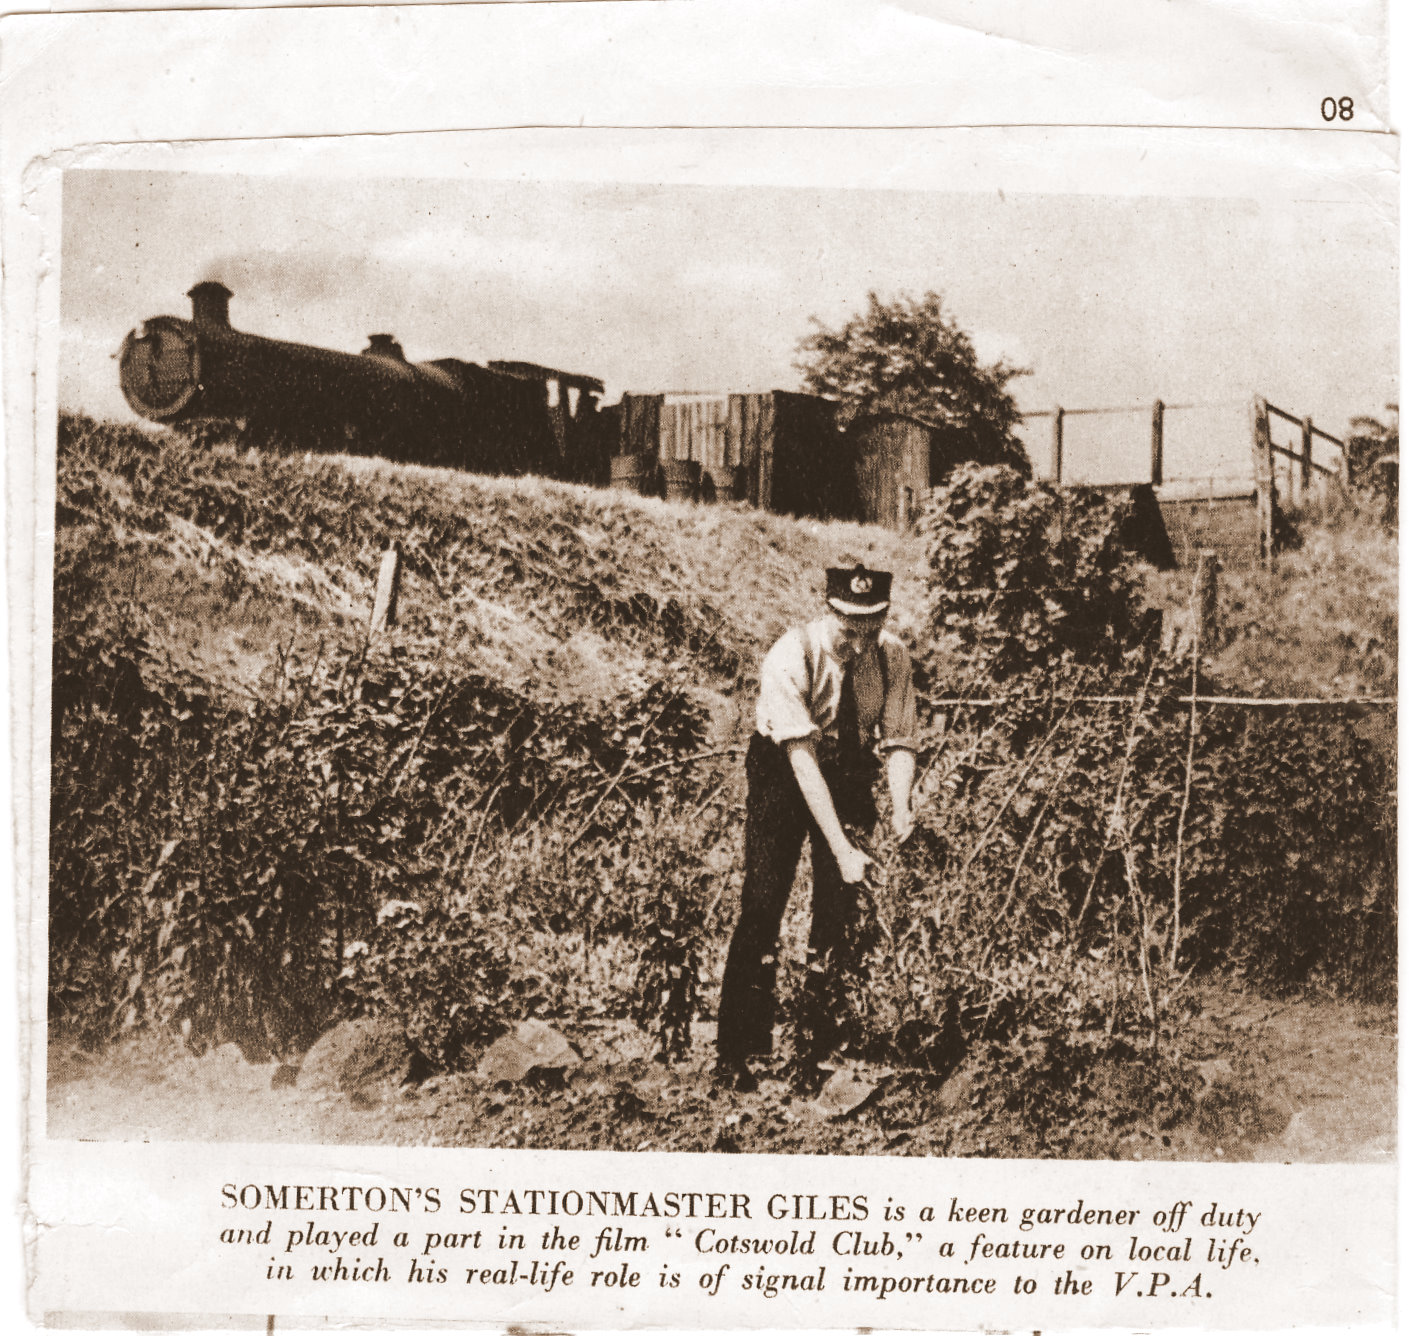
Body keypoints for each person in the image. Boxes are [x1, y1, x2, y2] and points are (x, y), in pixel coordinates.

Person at [715, 563, 917, 1091]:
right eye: (848, 629)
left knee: (840, 909)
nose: (858, 641)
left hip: (847, 768)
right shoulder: (791, 656)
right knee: (763, 901)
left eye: (870, 628)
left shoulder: (892, 658)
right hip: (784, 770)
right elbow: (802, 763)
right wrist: (842, 847)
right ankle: (738, 1050)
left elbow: (898, 739)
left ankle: (819, 1047)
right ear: (829, 612)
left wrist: (900, 806)